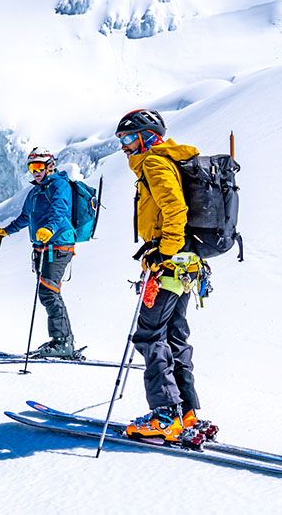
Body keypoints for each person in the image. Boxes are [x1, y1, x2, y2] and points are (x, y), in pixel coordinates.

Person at [115, 108, 208, 442]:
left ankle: (165, 414)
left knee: (149, 334)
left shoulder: (154, 162)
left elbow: (175, 209)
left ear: (146, 136)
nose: (124, 146)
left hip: (170, 265)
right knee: (174, 336)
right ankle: (188, 412)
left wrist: (164, 251)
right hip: (187, 266)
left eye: (127, 138)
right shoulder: (167, 159)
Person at [0, 148, 77, 358]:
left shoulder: (59, 185)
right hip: (42, 247)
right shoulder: (35, 192)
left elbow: (60, 211)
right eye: (32, 167)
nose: (35, 171)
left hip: (58, 246)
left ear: (50, 166)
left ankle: (63, 343)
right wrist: (6, 231)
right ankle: (61, 340)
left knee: (48, 292)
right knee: (48, 292)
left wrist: (49, 229)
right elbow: (25, 218)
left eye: (39, 166)